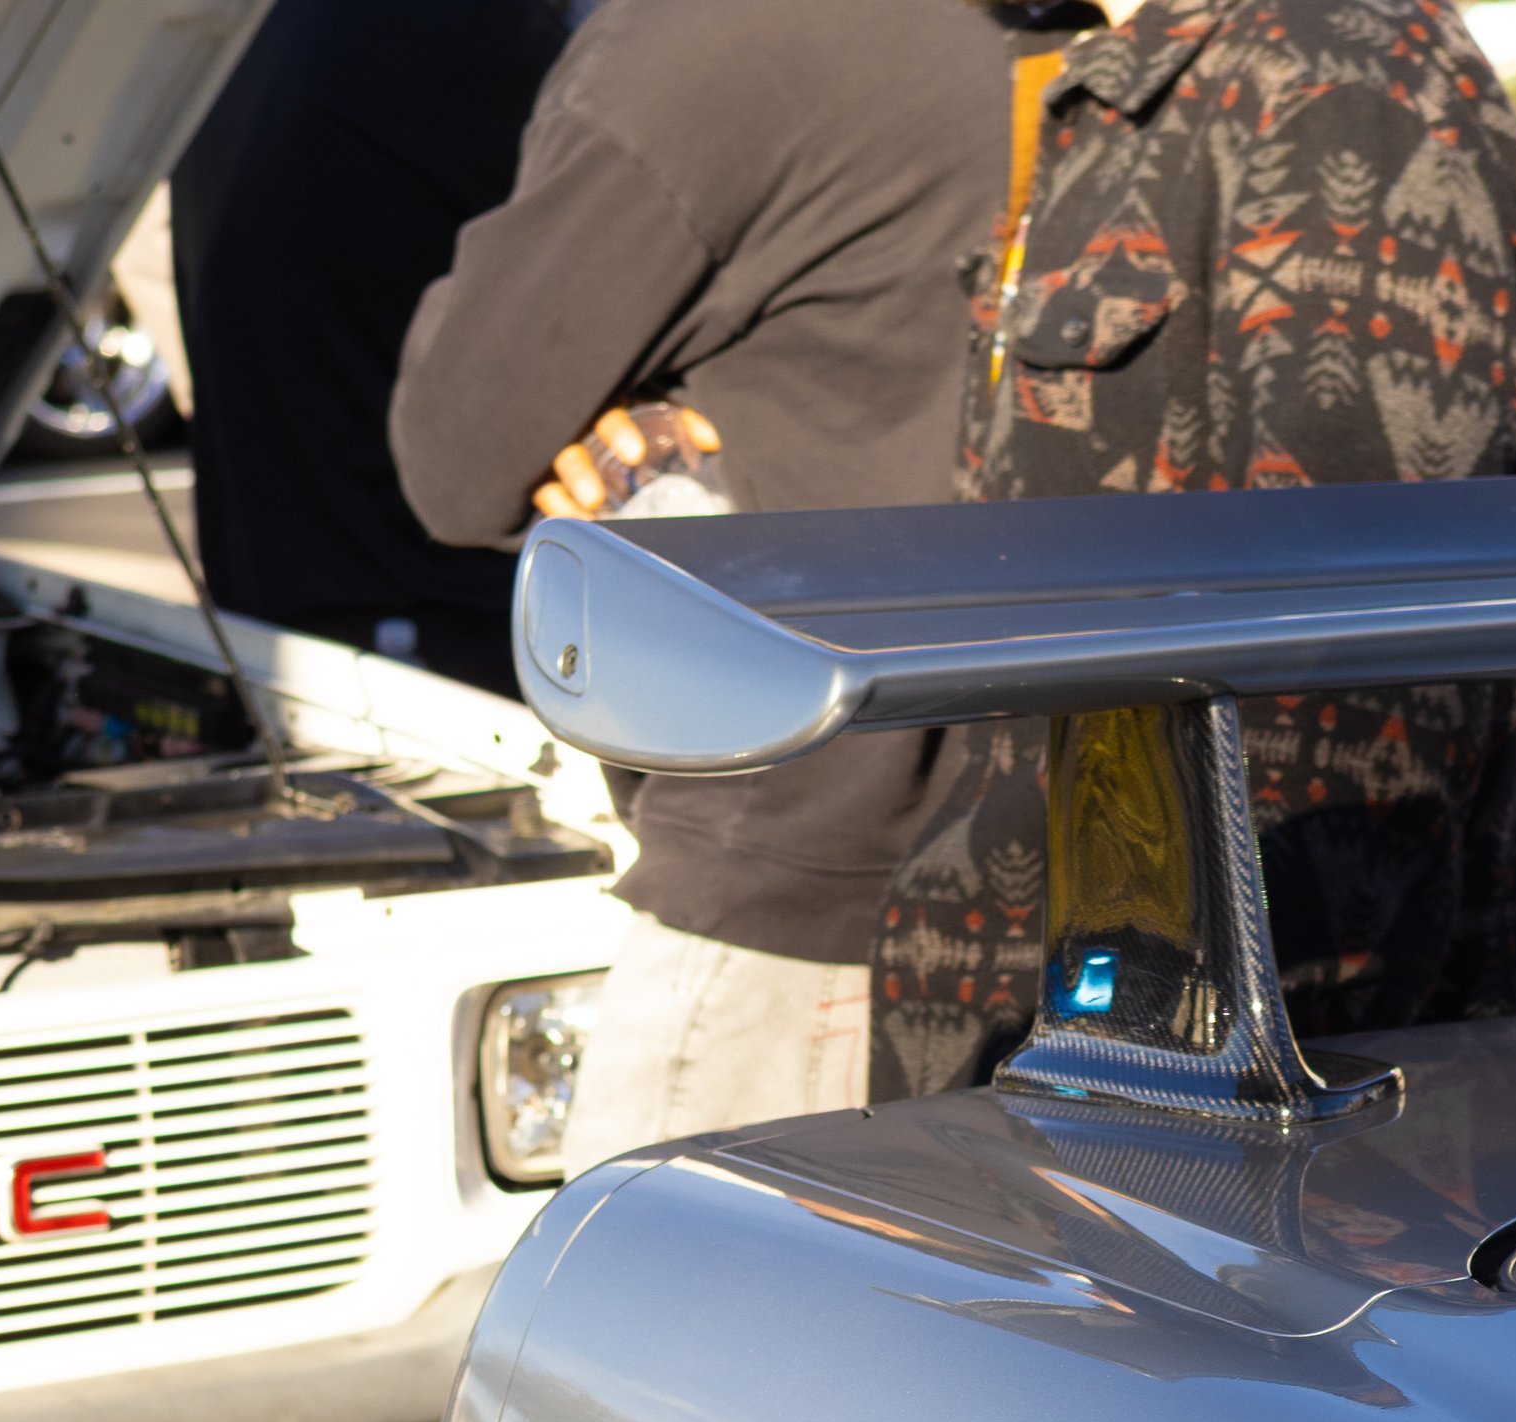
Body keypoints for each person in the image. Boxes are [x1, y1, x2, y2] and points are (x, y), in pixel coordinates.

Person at [869, 0, 1516, 1105]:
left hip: (1178, 1116)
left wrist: (1207, 1135)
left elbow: (1346, 715)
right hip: (1077, 1050)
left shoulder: (1339, 79)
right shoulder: (1165, 79)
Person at [389, 0, 1034, 1162]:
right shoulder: (1046, 30)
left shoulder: (704, 42)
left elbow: (454, 447)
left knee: (635, 1332)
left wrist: (647, 438)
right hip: (1050, 850)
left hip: (795, 870)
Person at [170, 0, 570, 699]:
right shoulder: (470, 38)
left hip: (283, 584)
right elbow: (610, 276)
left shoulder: (261, 30)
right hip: (423, 612)